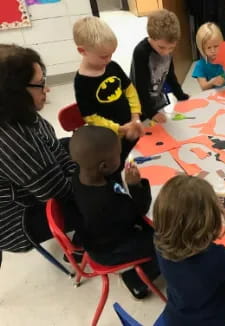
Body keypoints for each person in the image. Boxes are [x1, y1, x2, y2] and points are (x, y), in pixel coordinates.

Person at [153, 175, 225, 326]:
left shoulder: (159, 240)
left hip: (178, 316)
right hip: (217, 319)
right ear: (210, 222)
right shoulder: (216, 258)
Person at [0, 44, 77, 253]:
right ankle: (90, 241)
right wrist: (92, 181)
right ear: (14, 92)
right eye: (40, 84)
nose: (47, 88)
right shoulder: (13, 140)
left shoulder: (18, 111)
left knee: (83, 145)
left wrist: (74, 166)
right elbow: (58, 193)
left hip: (37, 183)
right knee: (98, 199)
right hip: (16, 218)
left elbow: (52, 144)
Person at [69, 126, 159, 299]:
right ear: (103, 166)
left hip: (98, 236)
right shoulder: (105, 201)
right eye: (118, 154)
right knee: (167, 241)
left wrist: (129, 140)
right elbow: (141, 210)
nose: (120, 157)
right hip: (111, 250)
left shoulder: (82, 174)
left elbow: (111, 166)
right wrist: (135, 186)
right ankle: (137, 281)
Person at [72, 16, 144, 181]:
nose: (109, 60)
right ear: (82, 51)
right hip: (111, 140)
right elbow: (91, 117)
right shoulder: (82, 82)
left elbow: (130, 90)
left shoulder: (112, 66)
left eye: (111, 54)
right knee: (116, 170)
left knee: (137, 161)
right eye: (103, 56)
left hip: (131, 127)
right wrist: (119, 129)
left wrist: (135, 117)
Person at [130, 9, 189, 124]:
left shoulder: (167, 50)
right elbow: (140, 87)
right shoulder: (141, 52)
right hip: (140, 105)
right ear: (151, 36)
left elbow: (170, 75)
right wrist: (151, 113)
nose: (166, 52)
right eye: (161, 47)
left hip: (157, 100)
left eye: (171, 48)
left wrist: (180, 95)